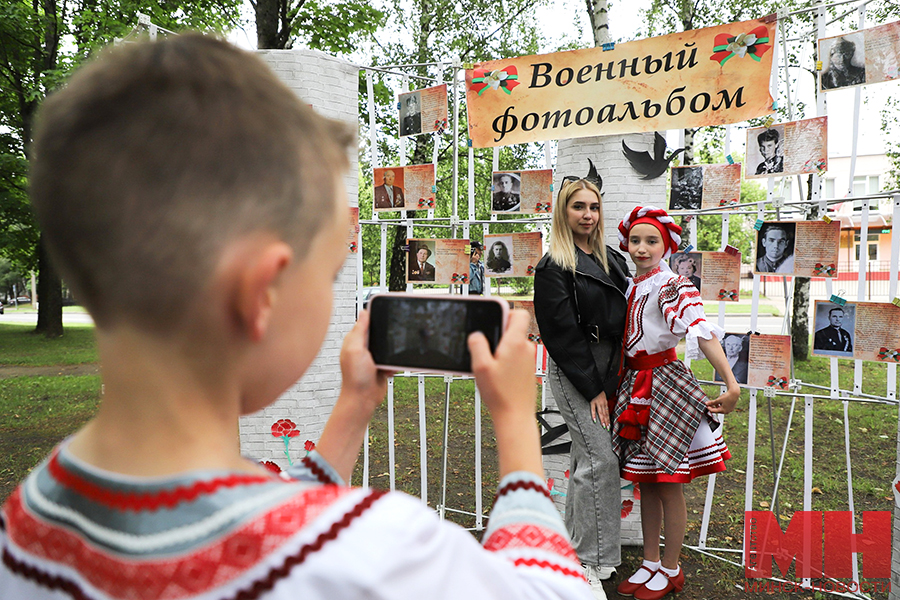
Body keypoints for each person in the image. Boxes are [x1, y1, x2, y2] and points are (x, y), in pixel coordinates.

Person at [1, 35, 594, 600]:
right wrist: (517, 426)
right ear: (263, 291)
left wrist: (353, 407)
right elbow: (550, 587)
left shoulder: (25, 525)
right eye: (334, 269)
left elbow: (279, 518)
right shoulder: (378, 550)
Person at [612, 206, 739, 600]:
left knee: (668, 483)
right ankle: (650, 562)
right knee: (646, 483)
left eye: (652, 241)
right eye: (636, 240)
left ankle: (671, 568)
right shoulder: (631, 286)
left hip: (664, 385)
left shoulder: (673, 286)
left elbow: (702, 333)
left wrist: (731, 384)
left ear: (666, 246)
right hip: (634, 385)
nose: (642, 248)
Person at [534, 178, 630, 600]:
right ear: (563, 212)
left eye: (593, 207)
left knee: (586, 459)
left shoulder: (612, 258)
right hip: (578, 370)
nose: (587, 214)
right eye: (578, 207)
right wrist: (593, 388)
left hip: (612, 366)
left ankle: (576, 551)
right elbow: (561, 334)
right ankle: (587, 562)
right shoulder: (553, 264)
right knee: (600, 460)